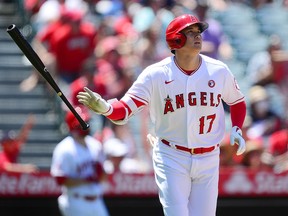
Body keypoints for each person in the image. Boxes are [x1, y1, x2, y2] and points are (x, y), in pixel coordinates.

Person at [77, 14, 247, 216]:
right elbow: (124, 110)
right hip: (171, 155)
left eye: (198, 32)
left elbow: (237, 102)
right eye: (190, 32)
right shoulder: (155, 74)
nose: (198, 36)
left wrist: (236, 128)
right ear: (176, 40)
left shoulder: (219, 70)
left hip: (209, 156)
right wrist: (105, 108)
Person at [50, 106, 110, 216]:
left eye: (86, 122)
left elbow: (104, 176)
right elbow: (60, 179)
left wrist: (100, 173)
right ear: (73, 126)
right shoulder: (64, 148)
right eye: (82, 123)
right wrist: (86, 180)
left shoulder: (95, 145)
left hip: (97, 201)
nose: (86, 126)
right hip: (76, 201)